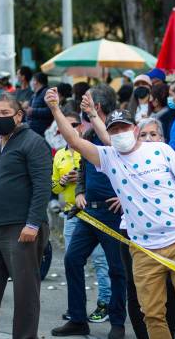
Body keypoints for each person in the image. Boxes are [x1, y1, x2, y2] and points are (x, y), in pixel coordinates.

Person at [46, 87, 175, 339]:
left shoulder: (161, 150)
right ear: (108, 134)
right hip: (142, 250)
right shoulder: (109, 158)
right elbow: (74, 141)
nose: (120, 134)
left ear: (136, 130)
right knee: (151, 314)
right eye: (114, 130)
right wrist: (54, 108)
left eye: (124, 128)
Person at [0, 93, 51, 338]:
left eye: (5, 113)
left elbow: (42, 186)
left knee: (25, 294)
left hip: (23, 228)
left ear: (19, 115)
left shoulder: (33, 142)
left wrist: (33, 224)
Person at [50, 86, 126, 339]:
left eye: (88, 100)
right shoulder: (90, 134)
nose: (82, 102)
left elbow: (126, 163)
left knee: (117, 268)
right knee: (72, 259)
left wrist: (125, 197)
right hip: (88, 213)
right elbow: (82, 161)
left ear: (99, 107)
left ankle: (117, 322)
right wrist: (81, 190)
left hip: (113, 215)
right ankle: (77, 319)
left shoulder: (119, 131)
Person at [52, 109, 112, 325]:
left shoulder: (88, 147)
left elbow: (98, 175)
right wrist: (65, 183)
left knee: (100, 261)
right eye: (66, 125)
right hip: (71, 214)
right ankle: (75, 309)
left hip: (93, 214)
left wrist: (81, 185)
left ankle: (105, 304)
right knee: (72, 261)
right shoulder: (59, 155)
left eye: (76, 124)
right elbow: (54, 187)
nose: (73, 128)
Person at [123, 117, 175, 339]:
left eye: (153, 134)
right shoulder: (124, 161)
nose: (148, 139)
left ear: (163, 139)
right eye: (143, 135)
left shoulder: (171, 161)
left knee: (170, 294)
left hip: (171, 239)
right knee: (138, 294)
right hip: (133, 236)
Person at [26, 72, 53, 136]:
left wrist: (33, 111)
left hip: (42, 132)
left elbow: (51, 110)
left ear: (36, 81)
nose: (31, 83)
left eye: (32, 80)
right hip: (33, 130)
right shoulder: (34, 94)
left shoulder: (47, 92)